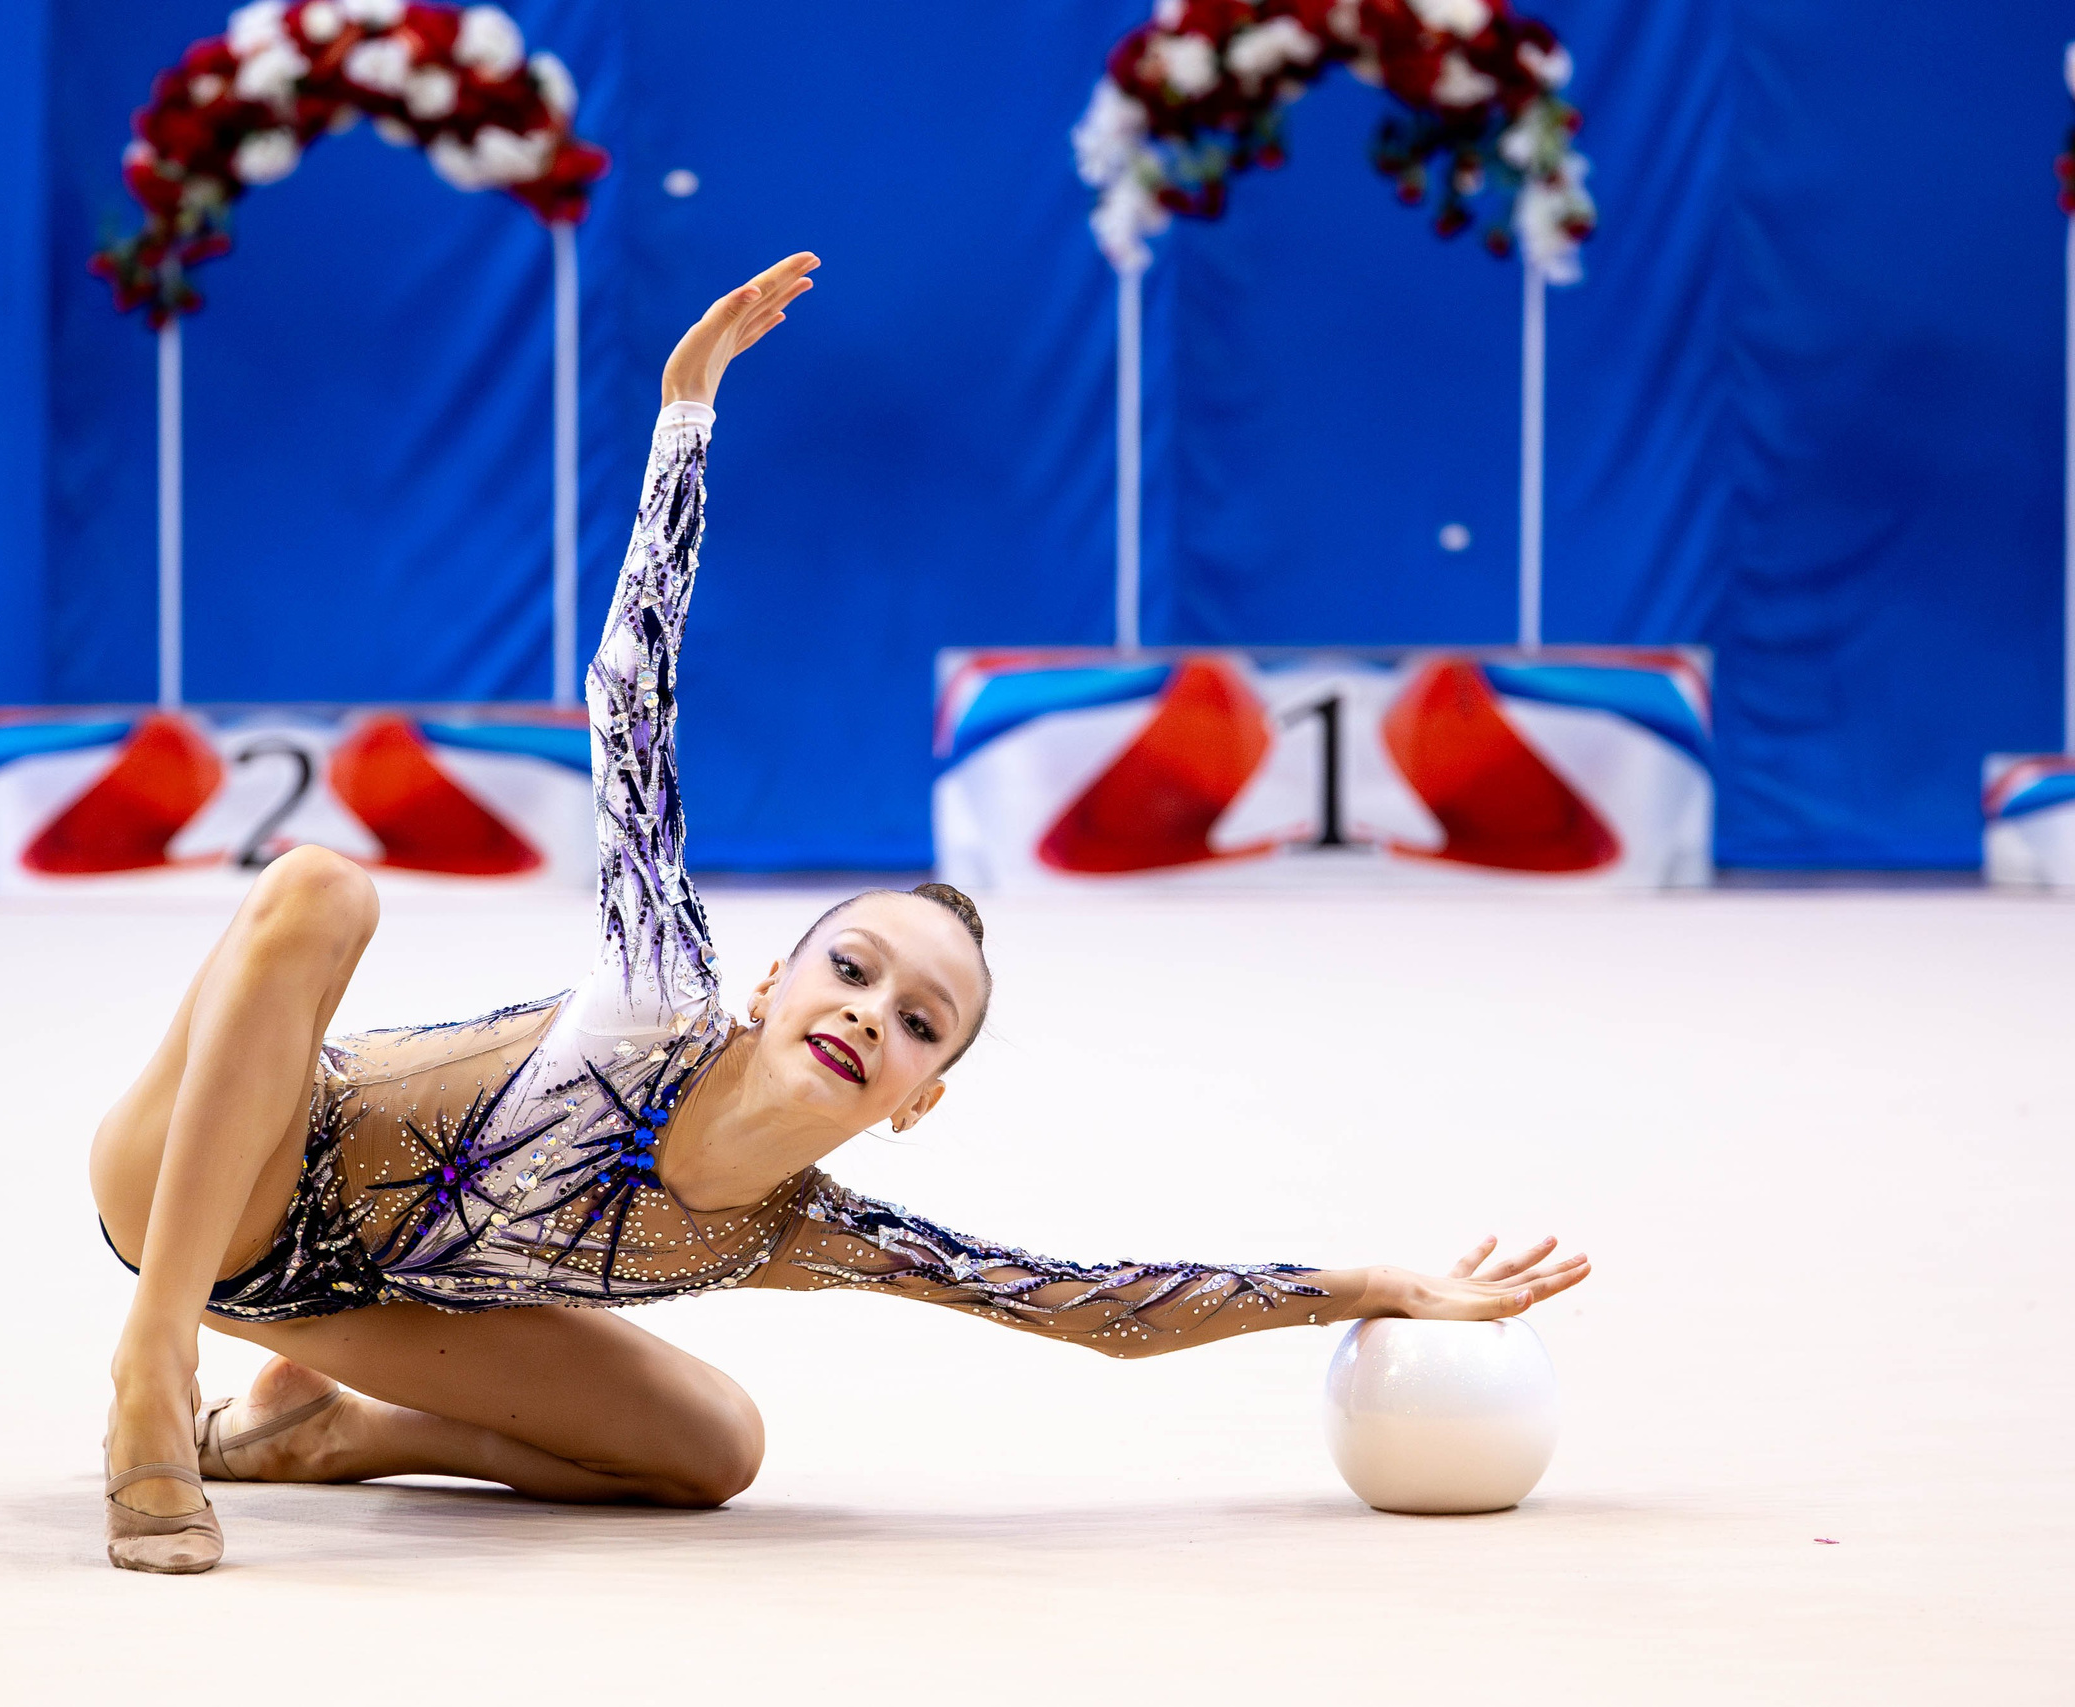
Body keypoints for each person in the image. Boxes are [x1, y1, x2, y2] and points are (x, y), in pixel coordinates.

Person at [88, 253, 1592, 1574]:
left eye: (918, 1022)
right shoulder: (655, 996)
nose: (873, 1011)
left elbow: (1091, 1305)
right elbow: (631, 701)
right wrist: (688, 413)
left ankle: (333, 1435)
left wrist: (1375, 1281)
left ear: (918, 1100)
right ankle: (150, 1370)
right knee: (320, 890)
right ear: (769, 987)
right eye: (855, 969)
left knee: (712, 1453)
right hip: (202, 1187)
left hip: (341, 1306)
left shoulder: (812, 1233)